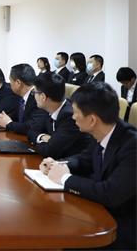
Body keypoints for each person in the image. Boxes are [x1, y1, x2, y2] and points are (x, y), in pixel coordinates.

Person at [41, 82, 136, 250]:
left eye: (75, 112)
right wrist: (59, 165)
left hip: (121, 227)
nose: (72, 117)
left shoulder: (132, 146)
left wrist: (64, 178)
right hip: (98, 210)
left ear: (92, 120)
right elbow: (84, 159)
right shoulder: (103, 130)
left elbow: (110, 193)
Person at [28, 73, 91, 158]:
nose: (34, 96)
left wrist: (42, 142)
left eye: (34, 92)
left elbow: (49, 151)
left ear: (43, 97)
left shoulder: (70, 116)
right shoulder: (48, 109)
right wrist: (42, 137)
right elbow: (31, 131)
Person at [0, 64, 48, 135]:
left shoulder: (38, 97)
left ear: (18, 83)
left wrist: (8, 123)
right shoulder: (21, 97)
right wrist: (1, 119)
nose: (9, 84)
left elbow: (32, 127)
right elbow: (18, 116)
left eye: (10, 80)